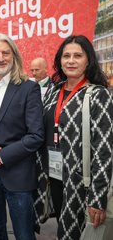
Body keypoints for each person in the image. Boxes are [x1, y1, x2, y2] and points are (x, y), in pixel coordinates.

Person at [36, 35, 113, 240]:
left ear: (88, 60)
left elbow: (104, 149)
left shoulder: (99, 95)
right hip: (55, 176)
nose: (71, 61)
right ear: (59, 60)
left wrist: (98, 198)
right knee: (63, 224)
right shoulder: (54, 91)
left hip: (82, 182)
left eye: (77, 56)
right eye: (66, 56)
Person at [0, 32, 44, 240]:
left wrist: (0, 156)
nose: (0, 58)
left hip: (17, 171)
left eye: (6, 53)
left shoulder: (29, 88)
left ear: (14, 56)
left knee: (24, 234)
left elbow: (36, 135)